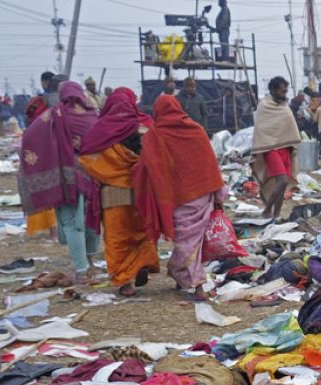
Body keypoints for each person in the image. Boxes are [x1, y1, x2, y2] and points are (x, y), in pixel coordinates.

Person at [133, 95, 227, 301]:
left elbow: (147, 167)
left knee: (186, 242)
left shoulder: (154, 136)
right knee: (191, 242)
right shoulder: (196, 130)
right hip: (200, 195)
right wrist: (219, 194)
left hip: (173, 197)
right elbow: (210, 164)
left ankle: (197, 283)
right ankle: (188, 278)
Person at [78, 88, 161, 296]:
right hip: (142, 191)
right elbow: (158, 156)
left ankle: (125, 283)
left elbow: (87, 160)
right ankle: (141, 263)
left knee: (117, 238)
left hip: (112, 194)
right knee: (142, 232)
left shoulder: (100, 130)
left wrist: (109, 171)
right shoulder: (145, 126)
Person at [18, 81, 100, 282]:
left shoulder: (55, 115)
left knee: (72, 223)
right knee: (90, 221)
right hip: (92, 174)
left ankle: (80, 272)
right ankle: (89, 264)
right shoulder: (93, 115)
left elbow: (30, 136)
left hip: (67, 176)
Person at [251, 76, 300, 219]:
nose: (284, 95)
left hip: (285, 147)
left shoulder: (284, 105)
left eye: (286, 91)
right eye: (282, 91)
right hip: (270, 148)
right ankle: (267, 210)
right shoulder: (264, 105)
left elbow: (289, 125)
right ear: (273, 90)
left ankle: (276, 214)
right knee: (283, 180)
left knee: (282, 184)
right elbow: (261, 129)